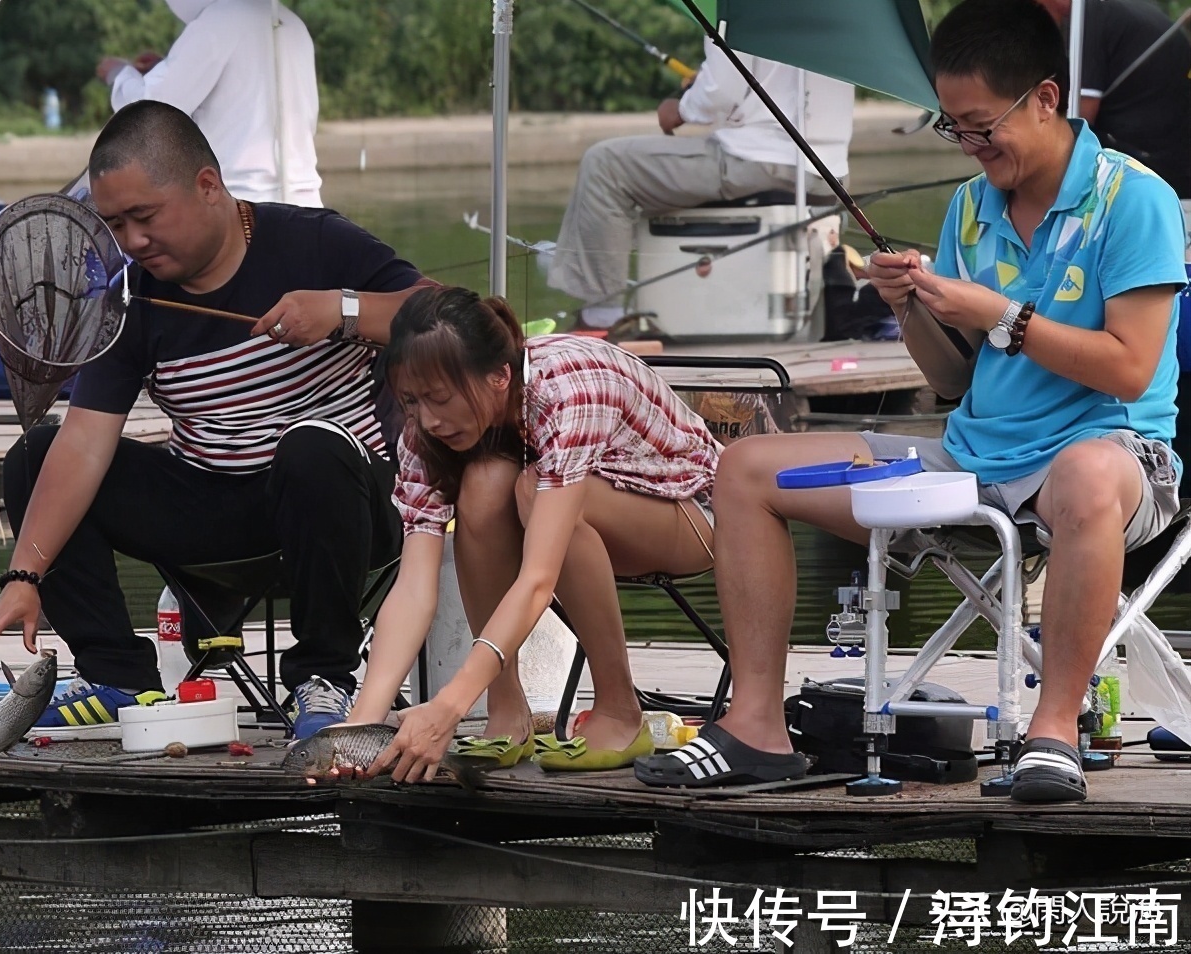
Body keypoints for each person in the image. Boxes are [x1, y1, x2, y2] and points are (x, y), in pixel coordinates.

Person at [634, 0, 1187, 803]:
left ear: (1043, 97)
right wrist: (912, 308)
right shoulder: (971, 207)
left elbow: (1132, 370)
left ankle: (1053, 732)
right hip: (968, 464)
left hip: (1117, 460)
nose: (970, 145)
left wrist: (998, 313)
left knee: (1086, 479)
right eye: (952, 129)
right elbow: (954, 381)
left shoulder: (1132, 198)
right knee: (748, 467)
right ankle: (755, 726)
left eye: (980, 124)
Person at [0, 100, 431, 741]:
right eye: (116, 224)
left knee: (310, 449)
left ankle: (327, 680)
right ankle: (117, 675)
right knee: (38, 454)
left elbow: (451, 319)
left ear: (207, 185)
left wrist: (344, 310)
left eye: (145, 217)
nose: (132, 241)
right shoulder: (130, 297)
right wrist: (25, 573)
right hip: (219, 511)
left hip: (345, 506)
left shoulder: (317, 241)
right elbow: (83, 448)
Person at [343, 286, 720, 780]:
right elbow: (414, 587)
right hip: (569, 517)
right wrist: (356, 732)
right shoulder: (426, 431)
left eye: (439, 398)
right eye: (411, 401)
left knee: (530, 491)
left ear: (501, 375)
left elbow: (538, 578)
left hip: (695, 515)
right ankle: (508, 710)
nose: (429, 420)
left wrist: (450, 705)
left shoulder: (567, 388)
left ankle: (619, 710)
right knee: (480, 488)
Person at [546, 38, 854, 328]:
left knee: (605, 165)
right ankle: (585, 264)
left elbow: (721, 91)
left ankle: (601, 316)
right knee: (648, 182)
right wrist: (704, 84)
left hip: (758, 161)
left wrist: (679, 108)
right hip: (829, 173)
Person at [97, 0, 323, 207]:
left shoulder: (221, 18)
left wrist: (118, 74)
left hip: (246, 205)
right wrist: (165, 67)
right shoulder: (291, 24)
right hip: (307, 205)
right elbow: (242, 86)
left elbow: (151, 108)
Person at [1033, 0, 1191, 198]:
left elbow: (1079, 117)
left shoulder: (1087, 18)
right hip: (1173, 156)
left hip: (1148, 165)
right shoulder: (1117, 9)